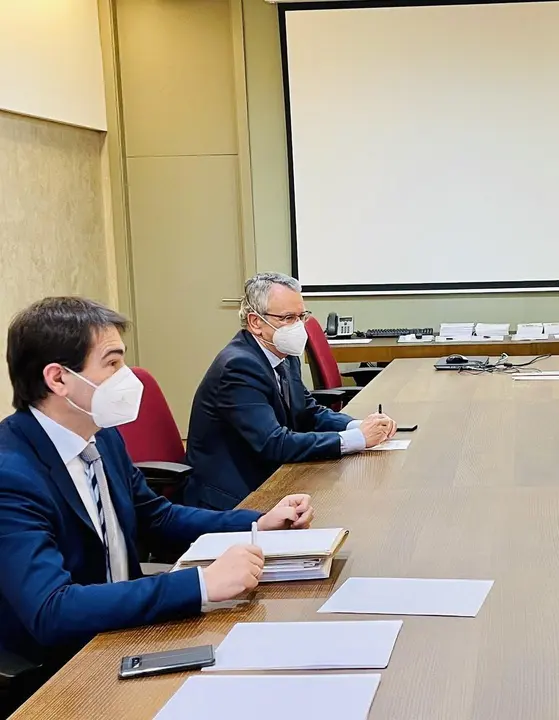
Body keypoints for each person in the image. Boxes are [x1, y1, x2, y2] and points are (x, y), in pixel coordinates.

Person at [0, 297, 317, 673]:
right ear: (58, 379)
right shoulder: (11, 474)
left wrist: (256, 523)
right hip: (64, 665)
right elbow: (52, 609)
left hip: (130, 630)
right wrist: (199, 584)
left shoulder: (102, 437)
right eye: (113, 363)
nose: (127, 377)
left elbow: (157, 518)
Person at [185, 272, 397, 510]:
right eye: (287, 318)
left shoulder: (283, 354)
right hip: (234, 498)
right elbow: (274, 443)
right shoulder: (238, 367)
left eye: (301, 316)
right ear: (256, 323)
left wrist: (359, 426)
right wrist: (356, 440)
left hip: (274, 477)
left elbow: (308, 411)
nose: (297, 326)